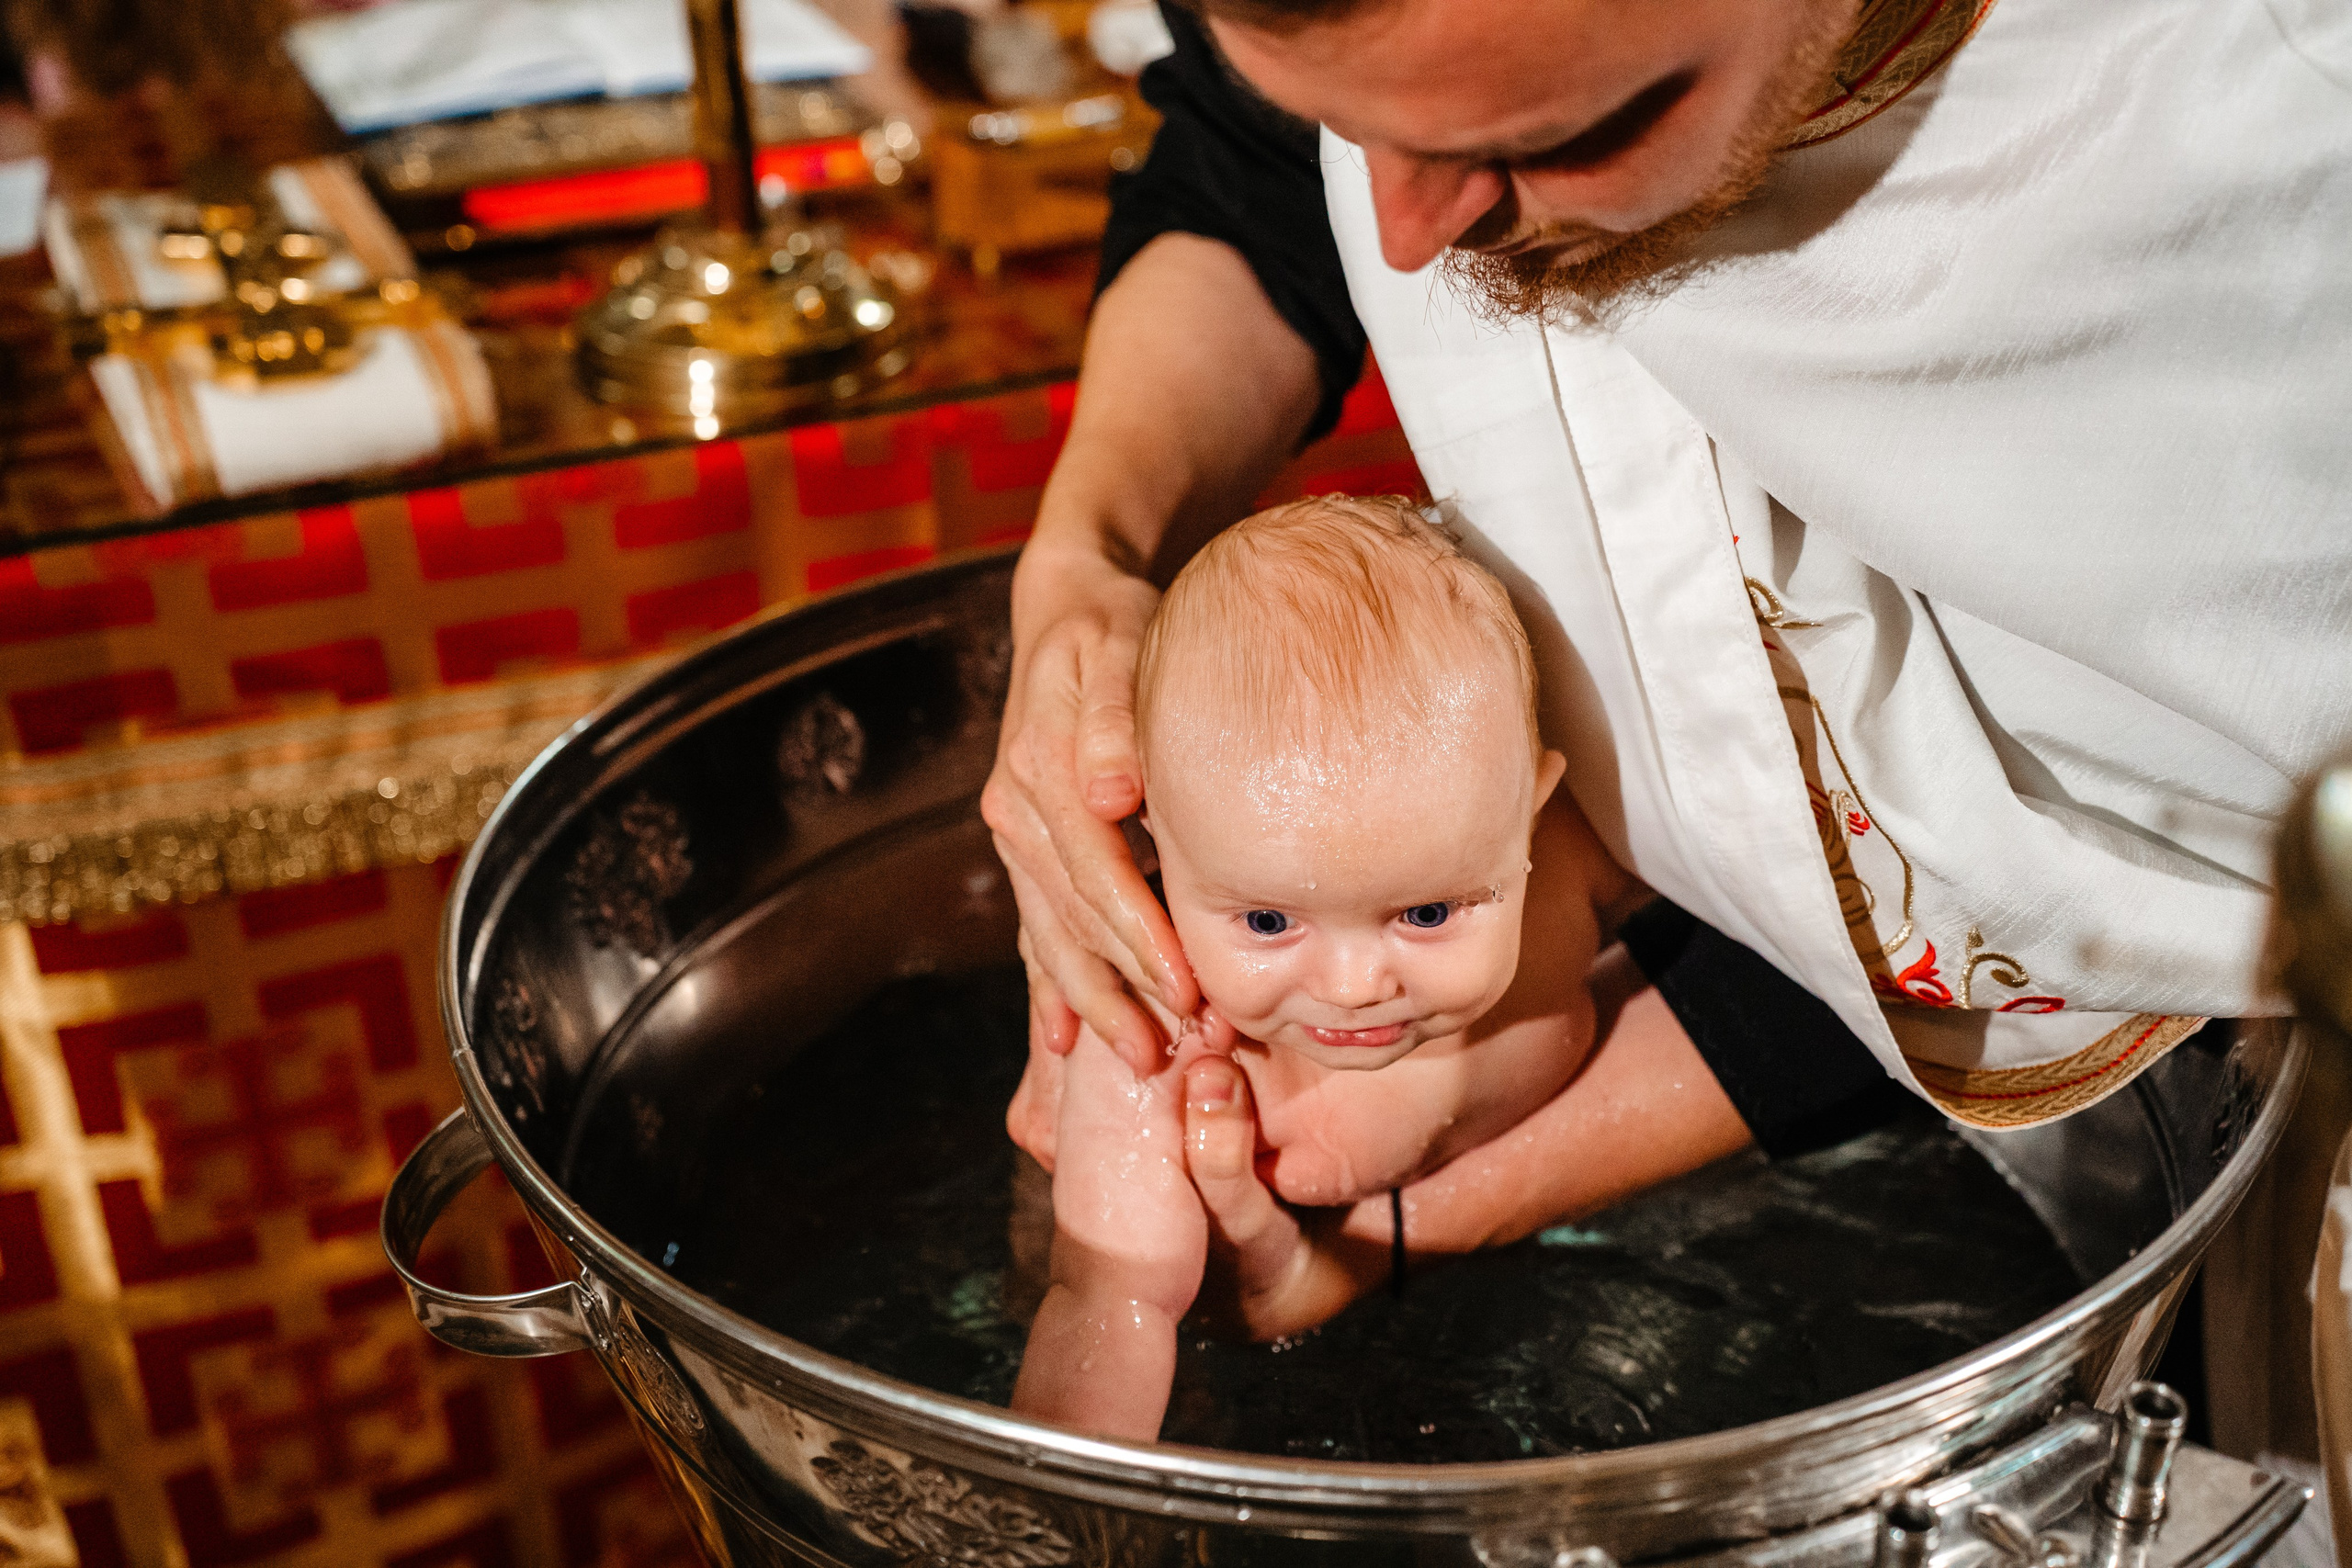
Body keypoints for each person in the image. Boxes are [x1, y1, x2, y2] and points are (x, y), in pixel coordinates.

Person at [985, 0, 2352, 1338]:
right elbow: (1260, 161)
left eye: (1566, 132)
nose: (1406, 238)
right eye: (1350, 126)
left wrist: (1427, 1200)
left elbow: (2020, 886)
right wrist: (1087, 554)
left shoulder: (2280, 158)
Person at [1010, 494, 1688, 1439]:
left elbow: (1788, 966)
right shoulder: (1159, 1045)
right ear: (1156, 838)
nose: (1354, 984)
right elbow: (1109, 1300)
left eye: (1426, 913)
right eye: (1267, 920)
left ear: (1530, 810)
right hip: (1234, 1335)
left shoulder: (1571, 863)